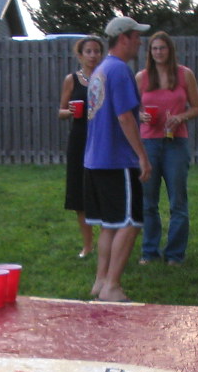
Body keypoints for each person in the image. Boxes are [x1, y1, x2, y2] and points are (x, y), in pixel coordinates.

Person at [84, 16, 151, 303]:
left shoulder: (100, 70)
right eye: (137, 36)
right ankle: (112, 286)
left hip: (96, 159)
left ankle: (100, 282)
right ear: (124, 37)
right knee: (131, 221)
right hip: (117, 159)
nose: (140, 41)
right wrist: (142, 157)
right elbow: (125, 117)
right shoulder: (120, 71)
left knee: (110, 223)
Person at [136, 31, 198, 265]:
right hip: (149, 142)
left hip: (176, 142)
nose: (158, 52)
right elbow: (130, 109)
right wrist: (141, 116)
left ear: (170, 50)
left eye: (162, 48)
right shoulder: (142, 77)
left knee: (178, 201)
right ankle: (149, 251)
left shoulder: (184, 75)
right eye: (154, 49)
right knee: (148, 201)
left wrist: (181, 116)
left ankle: (175, 254)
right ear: (149, 52)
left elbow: (197, 107)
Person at [57, 36, 104, 259]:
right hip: (79, 139)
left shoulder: (106, 78)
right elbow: (61, 111)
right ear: (80, 55)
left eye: (97, 51)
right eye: (89, 51)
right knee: (79, 194)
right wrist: (72, 112)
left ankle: (106, 244)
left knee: (102, 192)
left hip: (102, 139)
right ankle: (87, 245)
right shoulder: (72, 80)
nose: (93, 55)